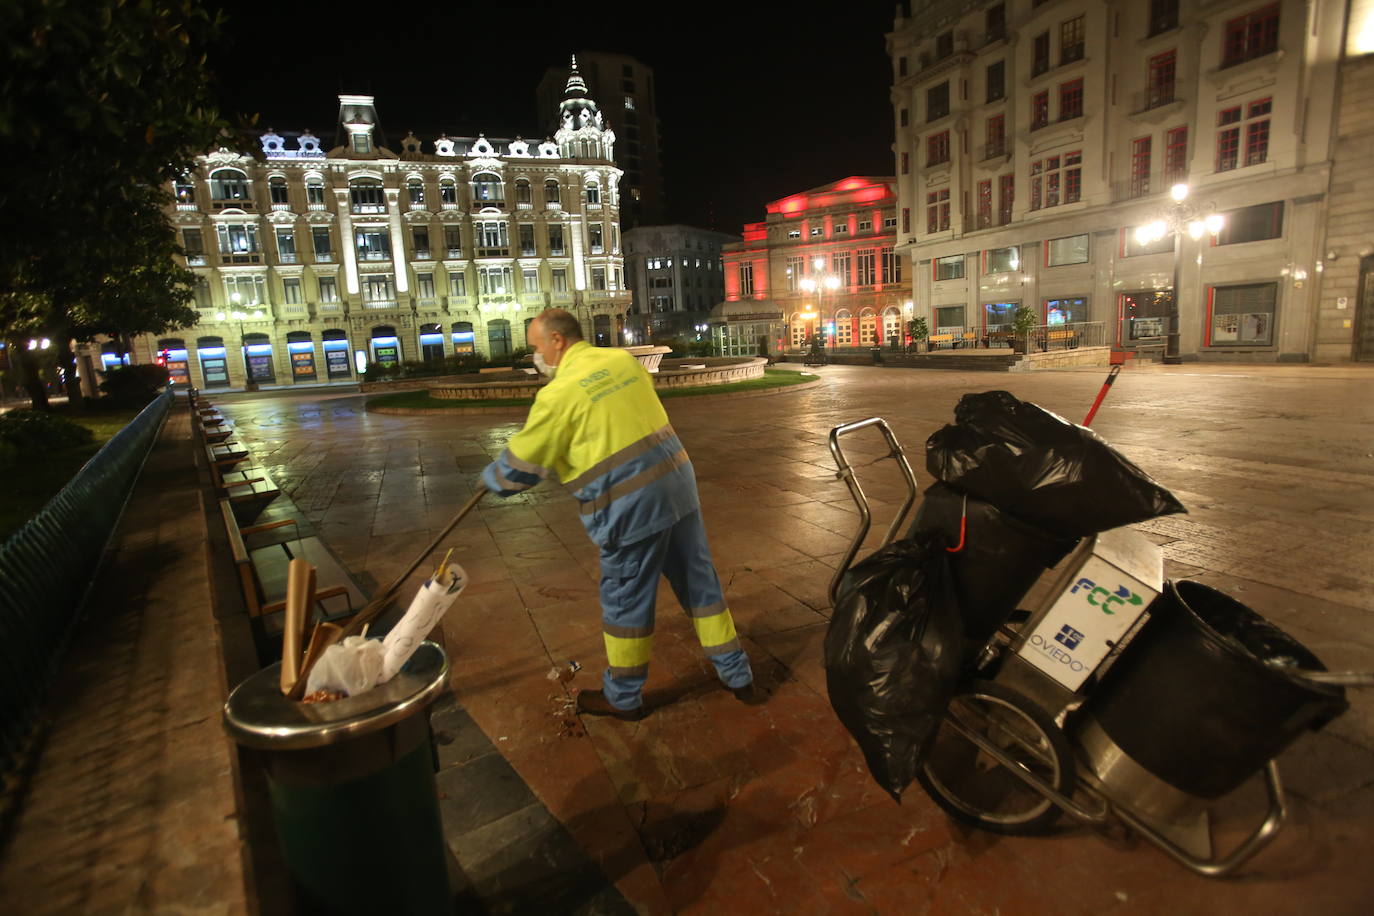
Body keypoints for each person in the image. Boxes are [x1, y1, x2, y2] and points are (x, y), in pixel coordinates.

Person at [481, 309, 760, 720]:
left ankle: (623, 697)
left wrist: (490, 478)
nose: (534, 355)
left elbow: (517, 471)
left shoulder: (558, 395)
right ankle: (738, 675)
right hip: (677, 485)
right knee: (700, 583)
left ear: (557, 341)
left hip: (630, 506)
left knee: (626, 601)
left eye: (536, 346)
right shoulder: (622, 361)